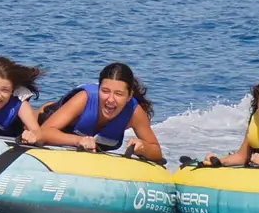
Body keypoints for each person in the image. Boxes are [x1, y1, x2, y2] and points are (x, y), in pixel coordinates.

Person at [35, 62, 165, 163]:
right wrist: (79, 140)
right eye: (105, 91)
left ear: (129, 96)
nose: (110, 99)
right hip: (34, 122)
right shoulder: (85, 98)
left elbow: (156, 151)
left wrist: (143, 147)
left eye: (119, 94)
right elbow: (43, 132)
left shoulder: (134, 113)